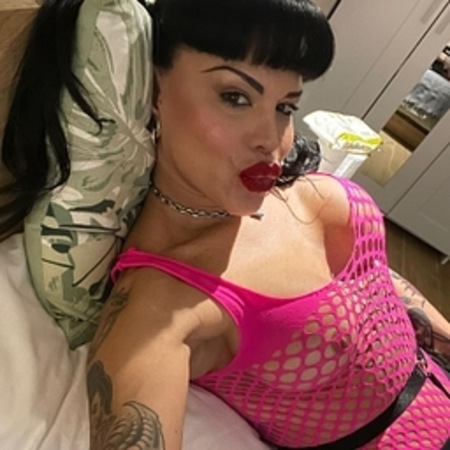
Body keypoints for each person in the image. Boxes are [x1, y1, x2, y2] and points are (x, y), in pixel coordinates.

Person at [1, 1, 450, 449]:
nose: (271, 140)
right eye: (235, 97)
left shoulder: (294, 189)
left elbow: (378, 282)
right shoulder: (161, 305)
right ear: (154, 91)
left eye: (285, 107)